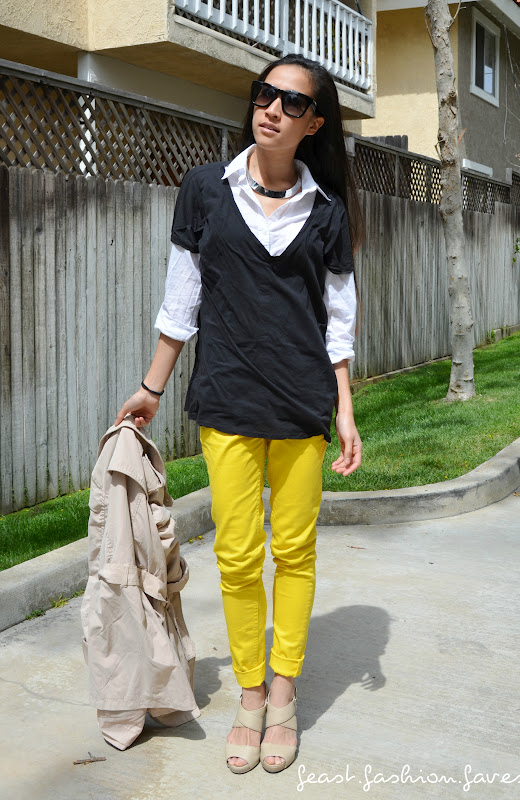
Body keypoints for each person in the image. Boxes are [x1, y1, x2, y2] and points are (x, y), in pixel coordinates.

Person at [115, 53, 364, 774]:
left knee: (295, 552)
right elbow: (181, 301)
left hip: (302, 403)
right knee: (236, 555)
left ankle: (283, 692)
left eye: (292, 103)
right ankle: (250, 694)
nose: (272, 109)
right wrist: (152, 387)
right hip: (225, 397)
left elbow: (338, 324)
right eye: (265, 94)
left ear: (314, 124)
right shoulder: (204, 189)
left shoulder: (327, 210)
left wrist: (344, 410)